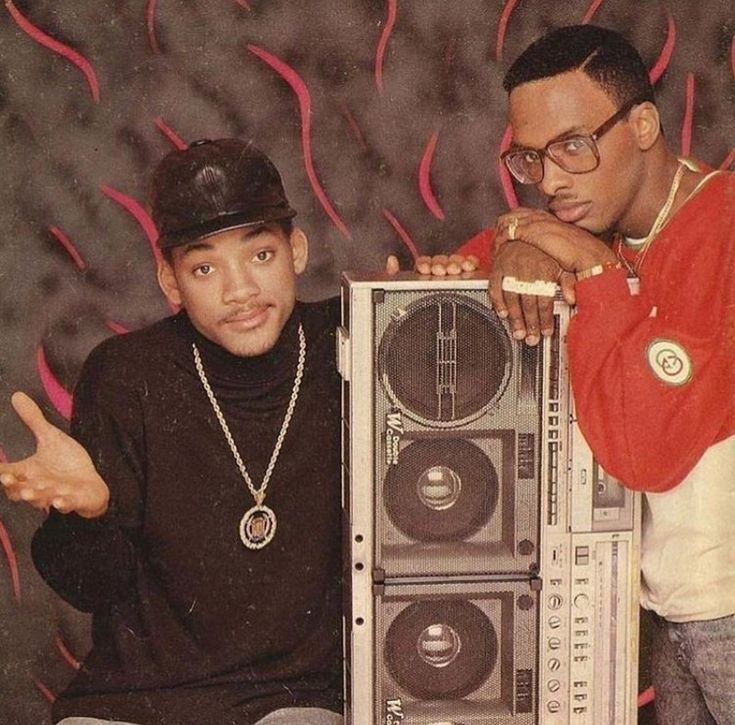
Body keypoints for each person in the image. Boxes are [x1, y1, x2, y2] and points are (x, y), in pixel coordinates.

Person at [0, 139, 347, 725]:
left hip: (300, 695)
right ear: (170, 280)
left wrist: (426, 302)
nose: (238, 291)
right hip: (139, 698)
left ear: (297, 250)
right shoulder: (125, 373)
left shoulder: (355, 338)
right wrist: (89, 512)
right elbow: (91, 588)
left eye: (259, 255)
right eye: (204, 267)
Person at [457, 24, 735, 725]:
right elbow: (462, 273)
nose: (551, 180)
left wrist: (590, 266)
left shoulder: (724, 225)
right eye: (529, 158)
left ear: (642, 124)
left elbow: (646, 451)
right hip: (670, 614)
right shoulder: (598, 219)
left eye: (573, 146)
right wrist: (516, 241)